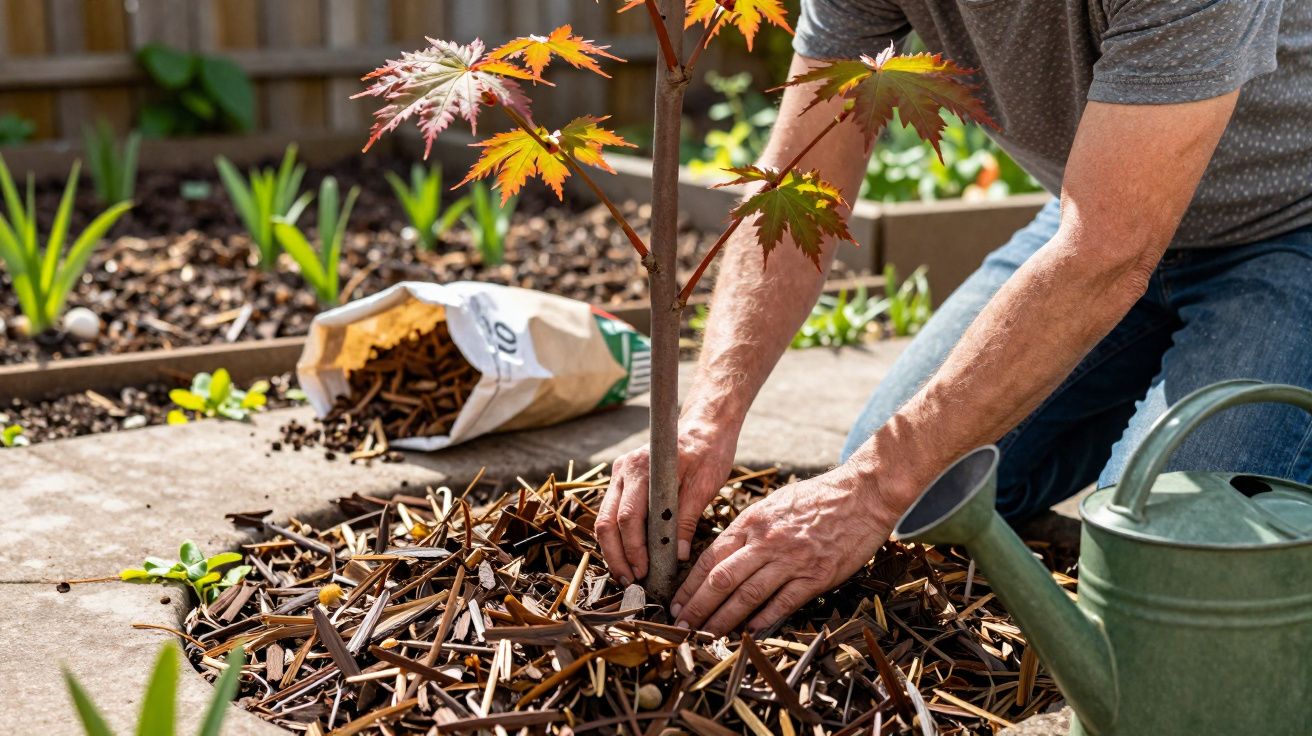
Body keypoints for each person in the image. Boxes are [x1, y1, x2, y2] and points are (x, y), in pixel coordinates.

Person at [597, 0, 1312, 635]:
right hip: (1089, 214)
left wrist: (873, 488)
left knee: (1167, 561)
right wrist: (707, 422)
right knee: (921, 494)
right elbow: (799, 195)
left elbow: (1108, 256)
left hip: (1284, 228)